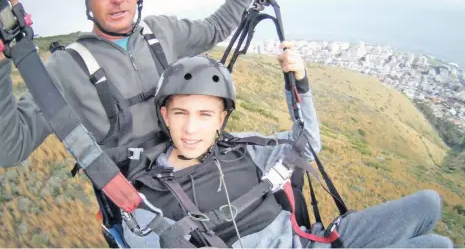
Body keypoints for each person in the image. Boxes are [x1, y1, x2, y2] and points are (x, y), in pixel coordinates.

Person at [116, 42, 454, 248]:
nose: (191, 128)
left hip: (312, 240)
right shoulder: (150, 190)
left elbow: (304, 146)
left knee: (430, 202)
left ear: (221, 119)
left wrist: (299, 83)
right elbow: (141, 237)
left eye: (205, 114)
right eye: (180, 113)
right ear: (164, 114)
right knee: (437, 245)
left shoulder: (244, 150)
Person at [0, 0, 267, 167]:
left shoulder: (162, 31)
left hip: (194, 161)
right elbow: (11, 149)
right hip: (141, 196)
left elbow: (215, 28)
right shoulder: (65, 68)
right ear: (88, 1)